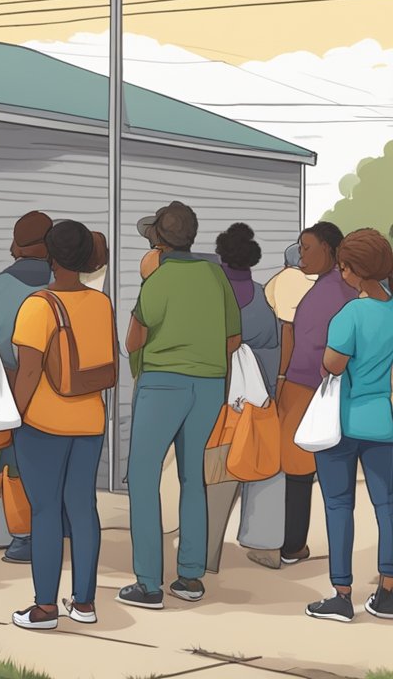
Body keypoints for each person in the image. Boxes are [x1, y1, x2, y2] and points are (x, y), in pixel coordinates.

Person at [118, 202, 241, 610]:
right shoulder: (213, 273)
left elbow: (133, 341)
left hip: (162, 384)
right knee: (193, 478)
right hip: (207, 385)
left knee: (142, 477)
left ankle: (149, 582)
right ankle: (190, 575)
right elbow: (233, 340)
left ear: (158, 239)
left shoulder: (158, 277)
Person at [8, 220, 113, 630]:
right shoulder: (101, 304)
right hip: (89, 421)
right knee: (83, 508)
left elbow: (28, 373)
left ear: (50, 256)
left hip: (43, 424)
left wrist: (12, 415)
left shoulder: (38, 305)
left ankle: (45, 607)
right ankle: (84, 603)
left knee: (46, 511)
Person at [307, 229, 393, 622]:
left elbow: (332, 365)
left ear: (356, 270)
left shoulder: (350, 315)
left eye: (344, 267)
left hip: (342, 423)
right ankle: (388, 592)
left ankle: (342, 595)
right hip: (382, 422)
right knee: (388, 506)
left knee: (339, 505)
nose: (341, 274)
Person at [0, 211, 54, 564]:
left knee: (14, 461)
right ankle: (52, 527)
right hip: (56, 386)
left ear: (15, 245)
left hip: (10, 381)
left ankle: (20, 535)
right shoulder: (61, 283)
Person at [205, 224, 286, 573]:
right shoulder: (263, 297)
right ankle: (266, 545)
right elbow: (275, 348)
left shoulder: (211, 294)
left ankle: (207, 553)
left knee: (217, 474)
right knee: (266, 465)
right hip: (260, 398)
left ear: (222, 257)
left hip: (219, 399)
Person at [277, 222, 354, 567]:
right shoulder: (334, 288)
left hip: (308, 387)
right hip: (320, 387)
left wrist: (283, 382)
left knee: (297, 470)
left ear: (330, 250)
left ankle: (293, 544)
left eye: (307, 247)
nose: (301, 254)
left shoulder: (336, 292)